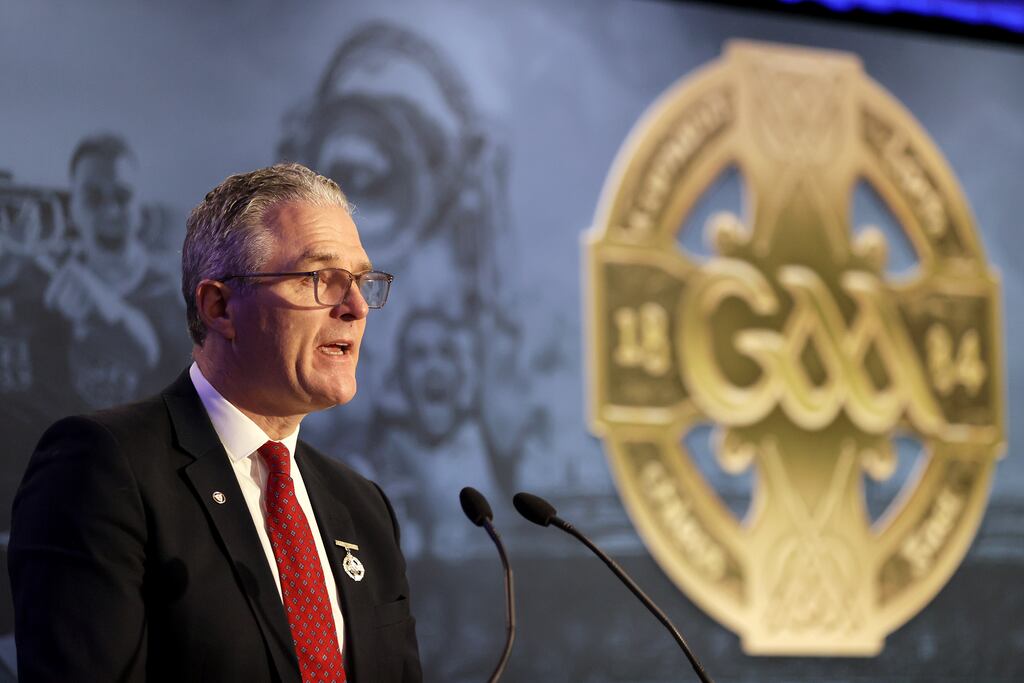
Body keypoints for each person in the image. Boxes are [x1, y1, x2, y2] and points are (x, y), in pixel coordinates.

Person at [8, 163, 422, 682]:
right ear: (220, 306)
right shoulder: (102, 468)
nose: (357, 307)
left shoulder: (363, 508)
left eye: (361, 281)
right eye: (321, 278)